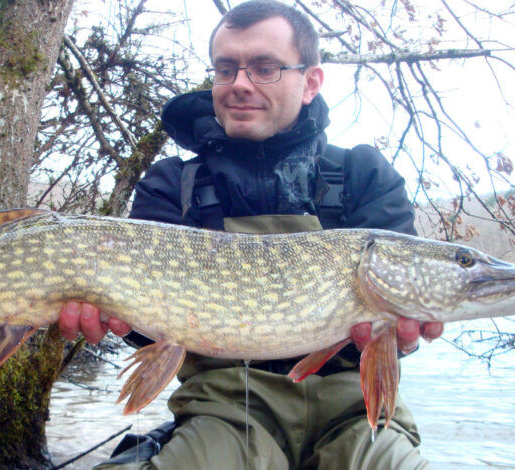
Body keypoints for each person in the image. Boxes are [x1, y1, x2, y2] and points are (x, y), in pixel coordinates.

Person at [59, 1, 443, 468]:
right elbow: (150, 332)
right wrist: (114, 318)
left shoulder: (362, 175)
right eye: (226, 69)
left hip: (354, 413)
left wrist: (401, 336)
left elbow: (399, 335)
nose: (240, 83)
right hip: (225, 410)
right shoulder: (172, 186)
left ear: (311, 83)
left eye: (264, 68)